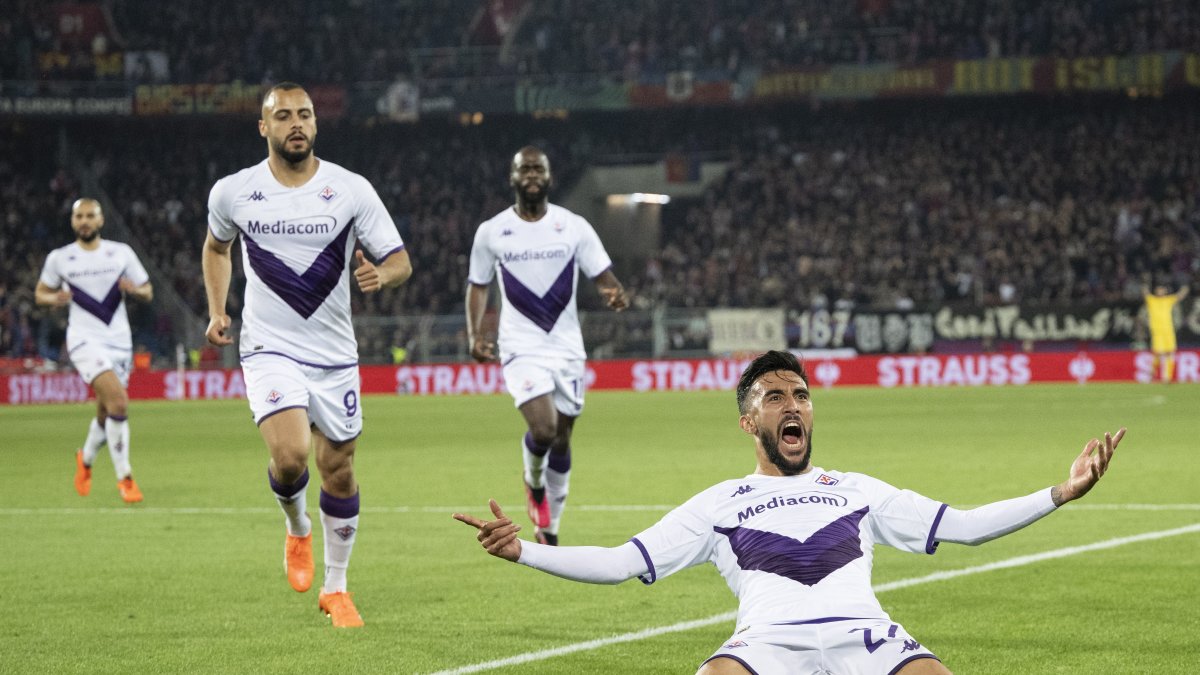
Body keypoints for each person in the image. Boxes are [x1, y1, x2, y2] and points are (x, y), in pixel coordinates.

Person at [456, 350, 1123, 674]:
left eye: (801, 394)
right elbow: (621, 562)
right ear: (749, 419)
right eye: (774, 396)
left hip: (867, 635)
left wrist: (1060, 492)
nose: (793, 404)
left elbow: (967, 525)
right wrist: (525, 550)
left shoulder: (858, 488)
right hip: (766, 645)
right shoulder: (720, 503)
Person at [202, 82, 412, 628]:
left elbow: (399, 260)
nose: (296, 123)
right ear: (264, 127)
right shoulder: (234, 192)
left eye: (305, 115)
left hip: (334, 353)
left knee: (338, 469)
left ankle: (336, 589)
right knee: (292, 456)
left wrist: (381, 274)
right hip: (269, 349)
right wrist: (218, 309)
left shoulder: (350, 189)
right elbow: (216, 247)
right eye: (284, 116)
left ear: (316, 124)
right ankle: (297, 528)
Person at [465, 146, 629, 546]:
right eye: (525, 169)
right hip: (520, 347)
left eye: (539, 168)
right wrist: (474, 335)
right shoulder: (492, 231)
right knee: (543, 428)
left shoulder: (572, 226)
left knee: (562, 438)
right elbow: (478, 284)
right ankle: (533, 483)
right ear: (513, 178)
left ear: (550, 177)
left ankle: (550, 526)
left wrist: (614, 292)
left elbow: (602, 273)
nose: (533, 174)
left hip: (567, 348)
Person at [36, 198, 153, 504]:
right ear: (73, 222)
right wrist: (54, 299)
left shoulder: (121, 253)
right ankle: (125, 478)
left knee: (106, 410)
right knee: (119, 402)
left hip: (119, 341)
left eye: (90, 216)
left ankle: (85, 459)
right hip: (83, 340)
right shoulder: (60, 258)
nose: (85, 221)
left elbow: (147, 290)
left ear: (101, 221)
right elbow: (40, 293)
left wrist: (134, 290)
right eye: (79, 217)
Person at [1142, 281, 1190, 383]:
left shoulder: (1168, 300)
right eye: (1159, 289)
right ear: (1156, 291)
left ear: (1165, 291)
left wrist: (1185, 288)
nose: (1160, 291)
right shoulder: (1152, 300)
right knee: (1158, 353)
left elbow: (1179, 296)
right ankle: (1152, 372)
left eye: (1162, 289)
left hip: (1168, 331)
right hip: (1157, 332)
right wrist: (1145, 282)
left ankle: (1167, 378)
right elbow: (1145, 293)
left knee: (1170, 353)